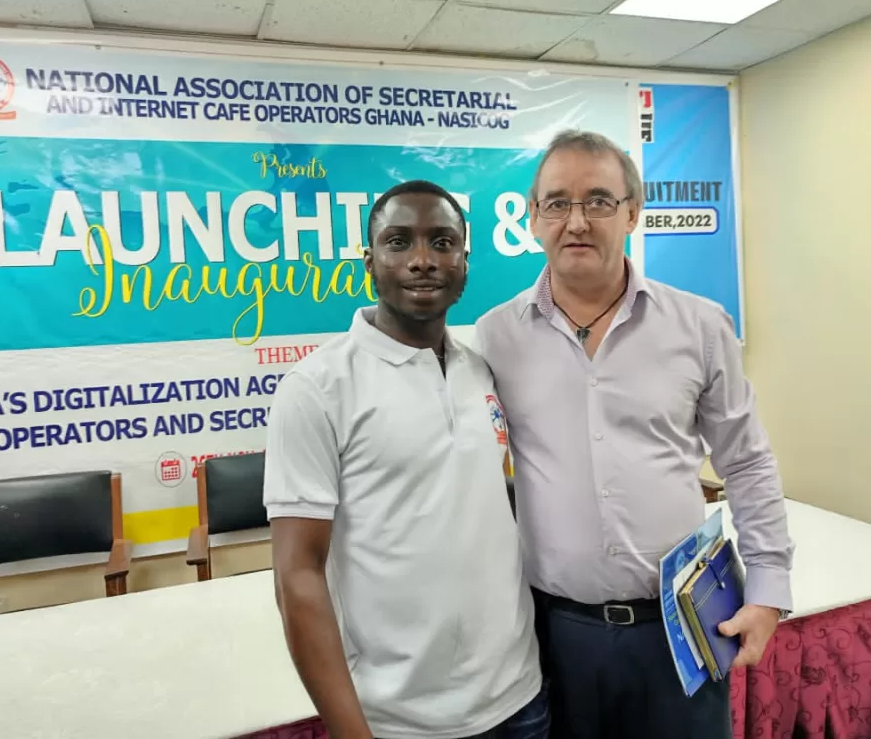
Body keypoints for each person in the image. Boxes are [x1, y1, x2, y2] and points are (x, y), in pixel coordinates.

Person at [474, 130, 794, 739]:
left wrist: (768, 588)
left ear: (632, 213)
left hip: (684, 631)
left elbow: (747, 462)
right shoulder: (496, 337)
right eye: (557, 203)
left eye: (598, 201)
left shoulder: (699, 326)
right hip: (554, 634)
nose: (576, 221)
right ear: (533, 216)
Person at [263, 180, 548, 739]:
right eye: (399, 242)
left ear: (464, 261)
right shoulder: (317, 388)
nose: (423, 260)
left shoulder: (480, 371)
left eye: (442, 242)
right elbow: (297, 576)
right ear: (369, 261)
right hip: (399, 721)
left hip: (520, 701)